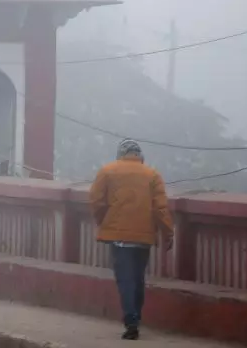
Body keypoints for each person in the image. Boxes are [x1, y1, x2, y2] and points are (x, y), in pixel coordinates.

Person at [89, 139, 174, 341]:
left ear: (120, 154)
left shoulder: (107, 171)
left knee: (125, 279)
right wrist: (168, 233)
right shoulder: (152, 174)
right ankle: (136, 316)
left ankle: (131, 321)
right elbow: (161, 209)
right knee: (137, 278)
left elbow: (95, 201)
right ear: (139, 156)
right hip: (144, 237)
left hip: (118, 237)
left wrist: (104, 220)